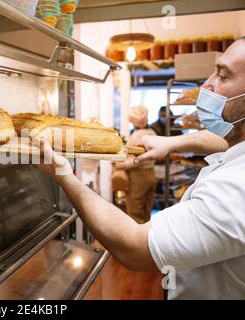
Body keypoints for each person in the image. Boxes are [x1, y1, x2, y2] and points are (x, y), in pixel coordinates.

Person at [37, 37, 245, 299]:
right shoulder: (237, 149)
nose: (207, 84)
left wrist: (65, 175)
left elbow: (133, 246)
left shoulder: (237, 189)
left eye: (223, 75)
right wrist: (172, 142)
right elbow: (222, 142)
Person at [114, 106, 156, 224]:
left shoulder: (137, 136)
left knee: (135, 211)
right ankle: (148, 238)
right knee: (147, 210)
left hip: (139, 177)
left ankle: (137, 241)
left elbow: (138, 160)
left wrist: (121, 165)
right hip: (151, 175)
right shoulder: (152, 132)